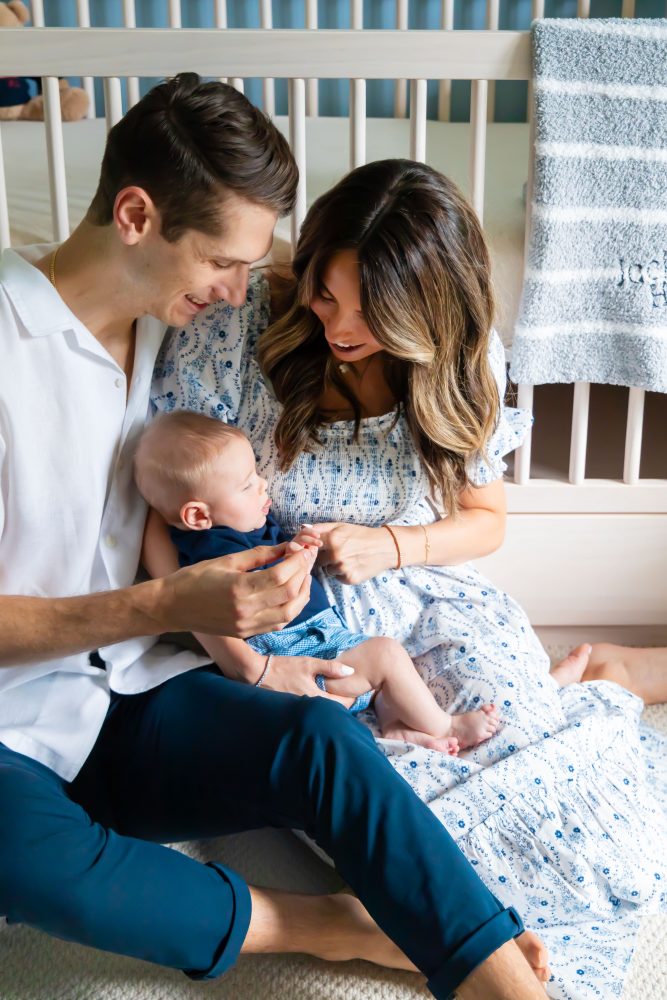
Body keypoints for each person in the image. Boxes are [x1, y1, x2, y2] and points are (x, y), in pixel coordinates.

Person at [0, 73, 555, 1000]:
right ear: (135, 216)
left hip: (127, 692)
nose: (239, 293)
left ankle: (495, 975)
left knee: (320, 740)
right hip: (12, 712)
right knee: (39, 866)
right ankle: (323, 926)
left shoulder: (165, 341)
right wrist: (164, 604)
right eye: (223, 262)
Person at [152, 157, 667, 1000]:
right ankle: (581, 689)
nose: (338, 327)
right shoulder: (237, 336)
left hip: (428, 600)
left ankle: (591, 679)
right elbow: (170, 513)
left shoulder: (462, 358)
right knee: (404, 828)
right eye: (325, 295)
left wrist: (390, 545)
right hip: (306, 626)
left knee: (561, 792)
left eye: (372, 313)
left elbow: (485, 519)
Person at [134, 410, 501, 752]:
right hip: (297, 649)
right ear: (197, 516)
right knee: (386, 655)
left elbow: (272, 557)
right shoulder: (212, 552)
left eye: (256, 476)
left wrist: (298, 546)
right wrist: (300, 556)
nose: (263, 485)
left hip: (318, 636)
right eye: (247, 486)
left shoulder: (239, 522)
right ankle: (446, 726)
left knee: (378, 677)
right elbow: (261, 589)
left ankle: (395, 727)